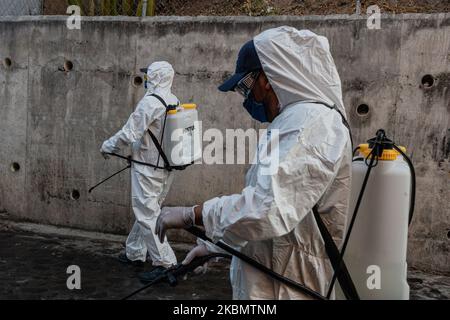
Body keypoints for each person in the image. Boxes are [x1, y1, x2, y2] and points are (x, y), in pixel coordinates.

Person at [155, 26, 352, 299]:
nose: (249, 98)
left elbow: (267, 208)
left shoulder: (314, 123)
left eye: (247, 85)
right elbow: (265, 209)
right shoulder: (295, 121)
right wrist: (216, 246)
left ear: (270, 78)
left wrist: (193, 214)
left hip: (289, 284)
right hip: (271, 274)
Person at [100, 61, 178, 282]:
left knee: (147, 213)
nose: (145, 79)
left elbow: (129, 133)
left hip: (148, 168)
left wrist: (108, 146)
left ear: (154, 78)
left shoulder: (150, 103)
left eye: (148, 75)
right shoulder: (173, 99)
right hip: (166, 167)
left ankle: (166, 263)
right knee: (148, 210)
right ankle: (135, 252)